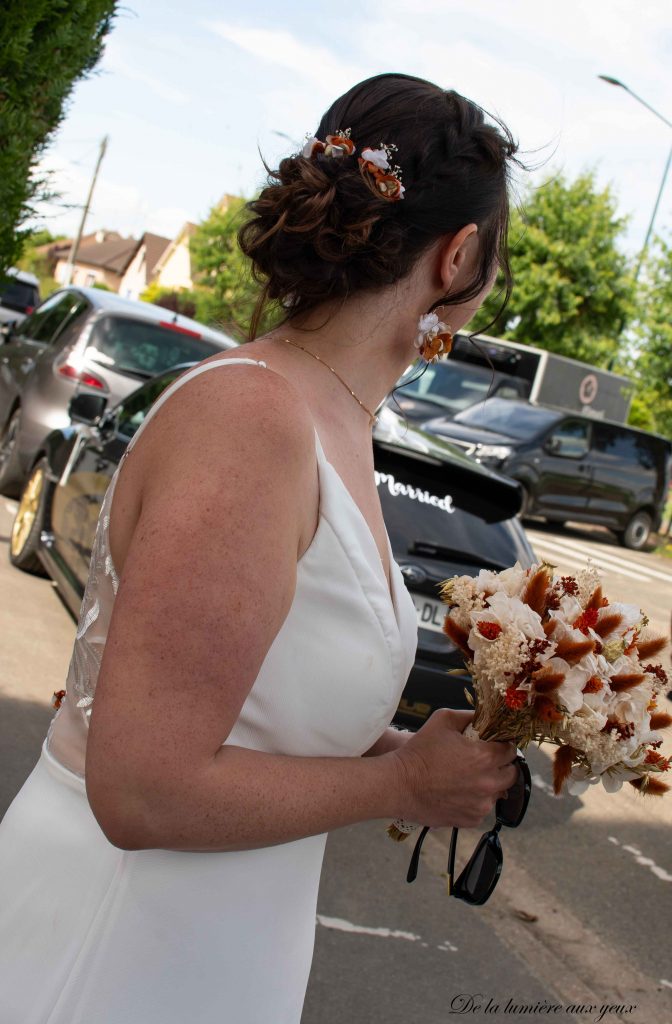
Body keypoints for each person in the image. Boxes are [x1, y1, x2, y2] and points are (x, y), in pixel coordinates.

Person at [0, 72, 524, 1023]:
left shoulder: (335, 417)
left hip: (220, 937)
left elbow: (261, 688)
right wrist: (397, 783)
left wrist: (403, 750)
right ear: (457, 259)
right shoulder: (254, 417)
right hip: (120, 939)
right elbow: (142, 790)